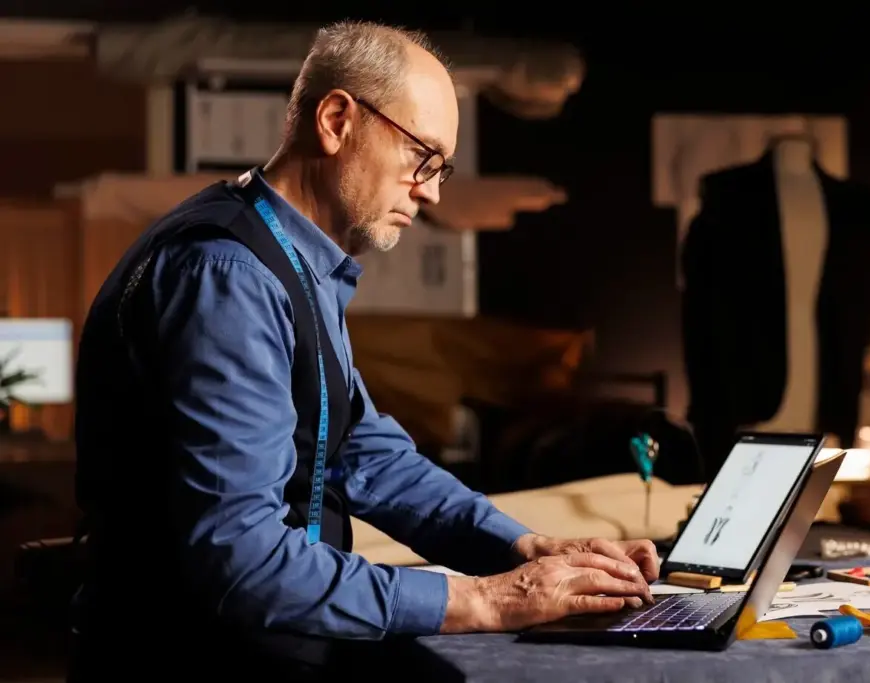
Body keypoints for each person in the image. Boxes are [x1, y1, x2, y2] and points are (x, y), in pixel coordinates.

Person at [69, 20, 656, 681]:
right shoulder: (230, 277)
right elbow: (243, 559)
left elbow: (363, 454)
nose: (432, 190)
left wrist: (522, 548)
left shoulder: (295, 262)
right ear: (336, 121)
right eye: (422, 156)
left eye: (441, 167)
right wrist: (487, 600)